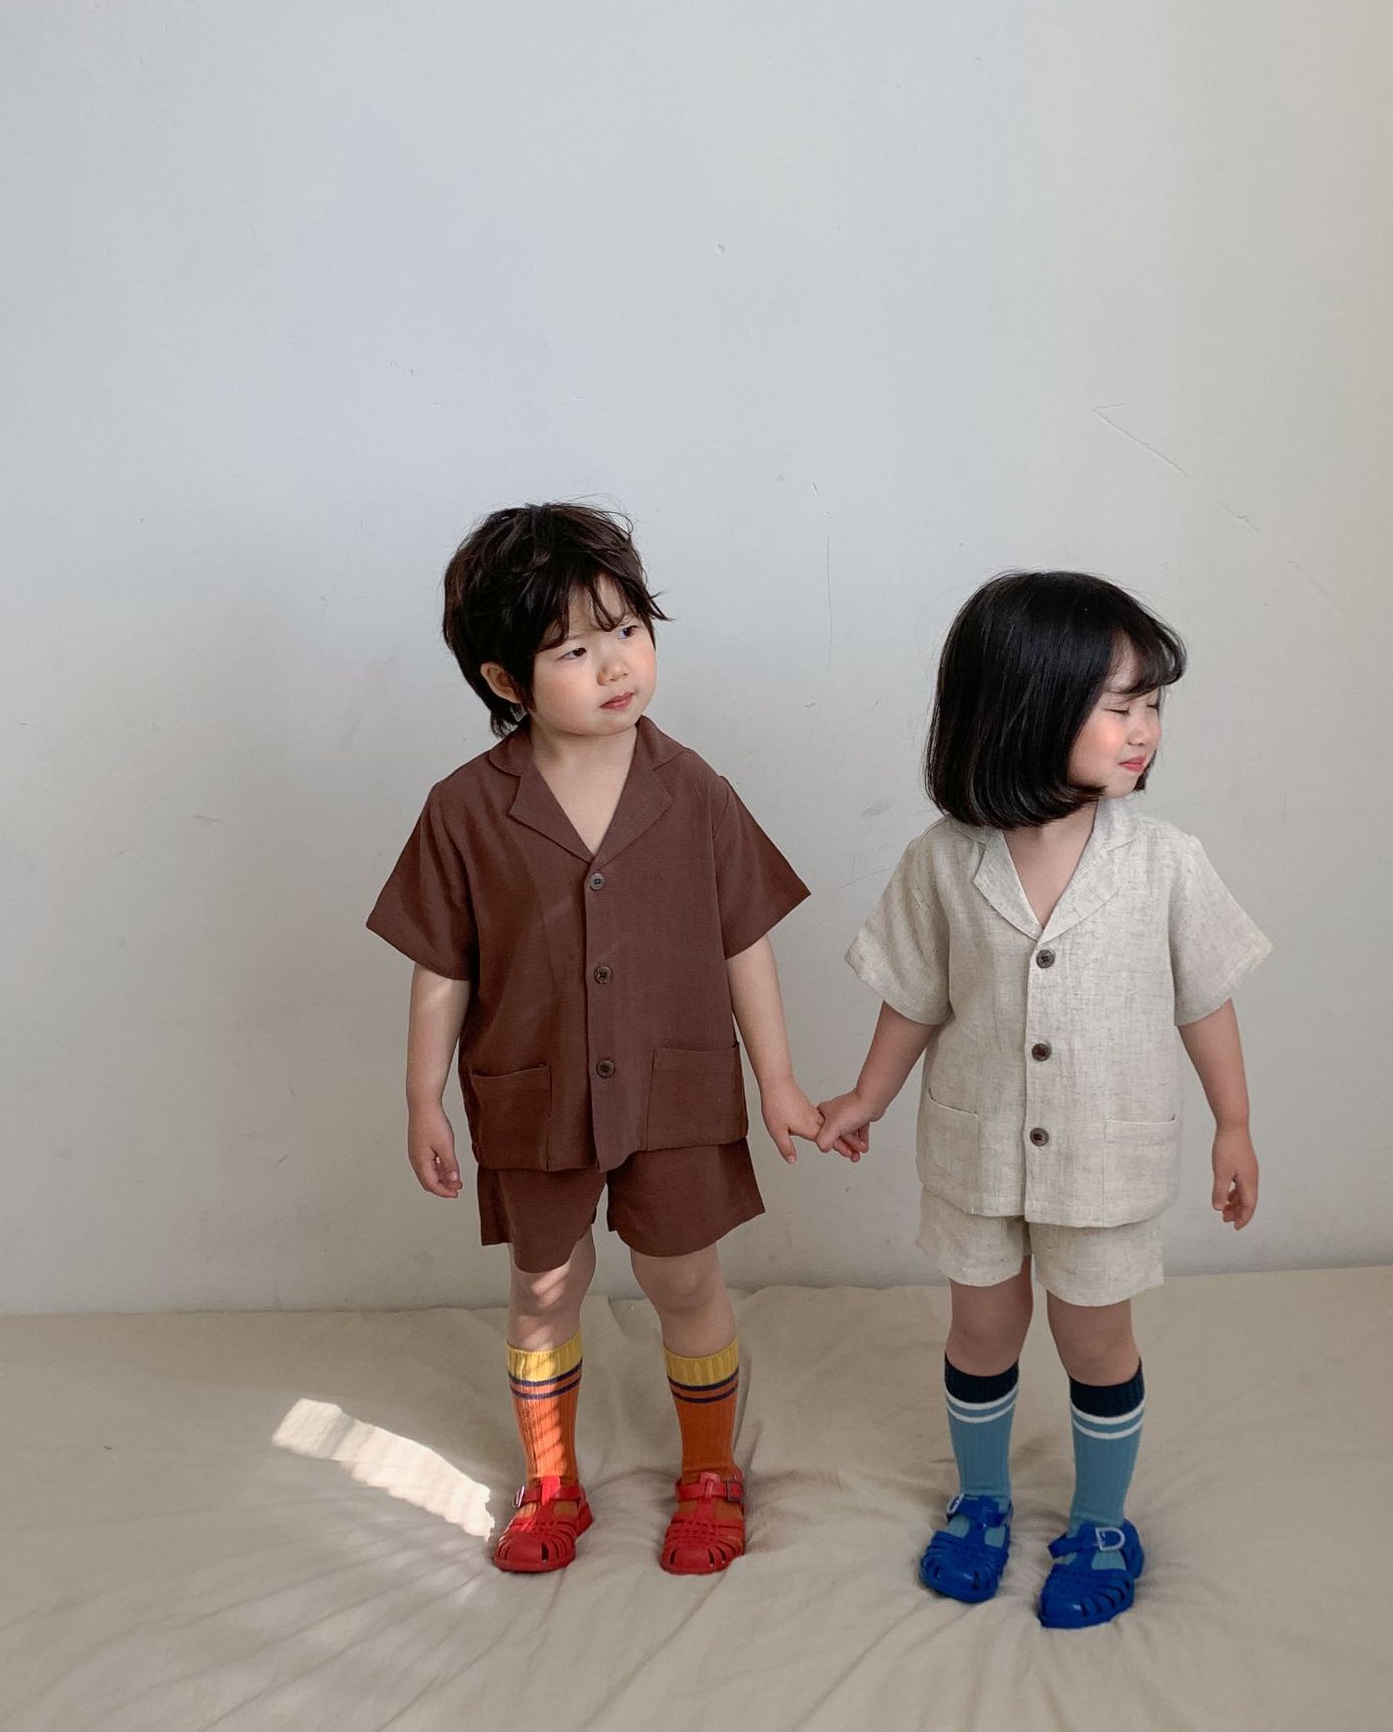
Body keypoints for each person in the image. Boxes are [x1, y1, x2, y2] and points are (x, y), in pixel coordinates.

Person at [369, 502, 826, 1573]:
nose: (616, 664)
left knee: (685, 1279)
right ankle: (550, 1482)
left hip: (677, 1091)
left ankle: (708, 1473)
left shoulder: (695, 789)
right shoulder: (463, 810)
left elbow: (744, 942)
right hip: (534, 1093)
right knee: (543, 1285)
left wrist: (779, 1081)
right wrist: (421, 1096)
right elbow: (444, 966)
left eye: (627, 630)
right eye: (573, 650)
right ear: (506, 681)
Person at [818, 571, 1271, 1627]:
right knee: (981, 1330)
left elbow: (1205, 1000)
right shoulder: (943, 863)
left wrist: (1235, 1125)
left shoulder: (1165, 863)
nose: (1144, 728)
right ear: (1022, 707)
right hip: (975, 1155)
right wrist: (866, 1098)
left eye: (1152, 704)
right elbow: (914, 996)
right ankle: (981, 1503)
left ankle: (1101, 1522)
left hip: (1106, 1161)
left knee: (1095, 1341)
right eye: (1119, 706)